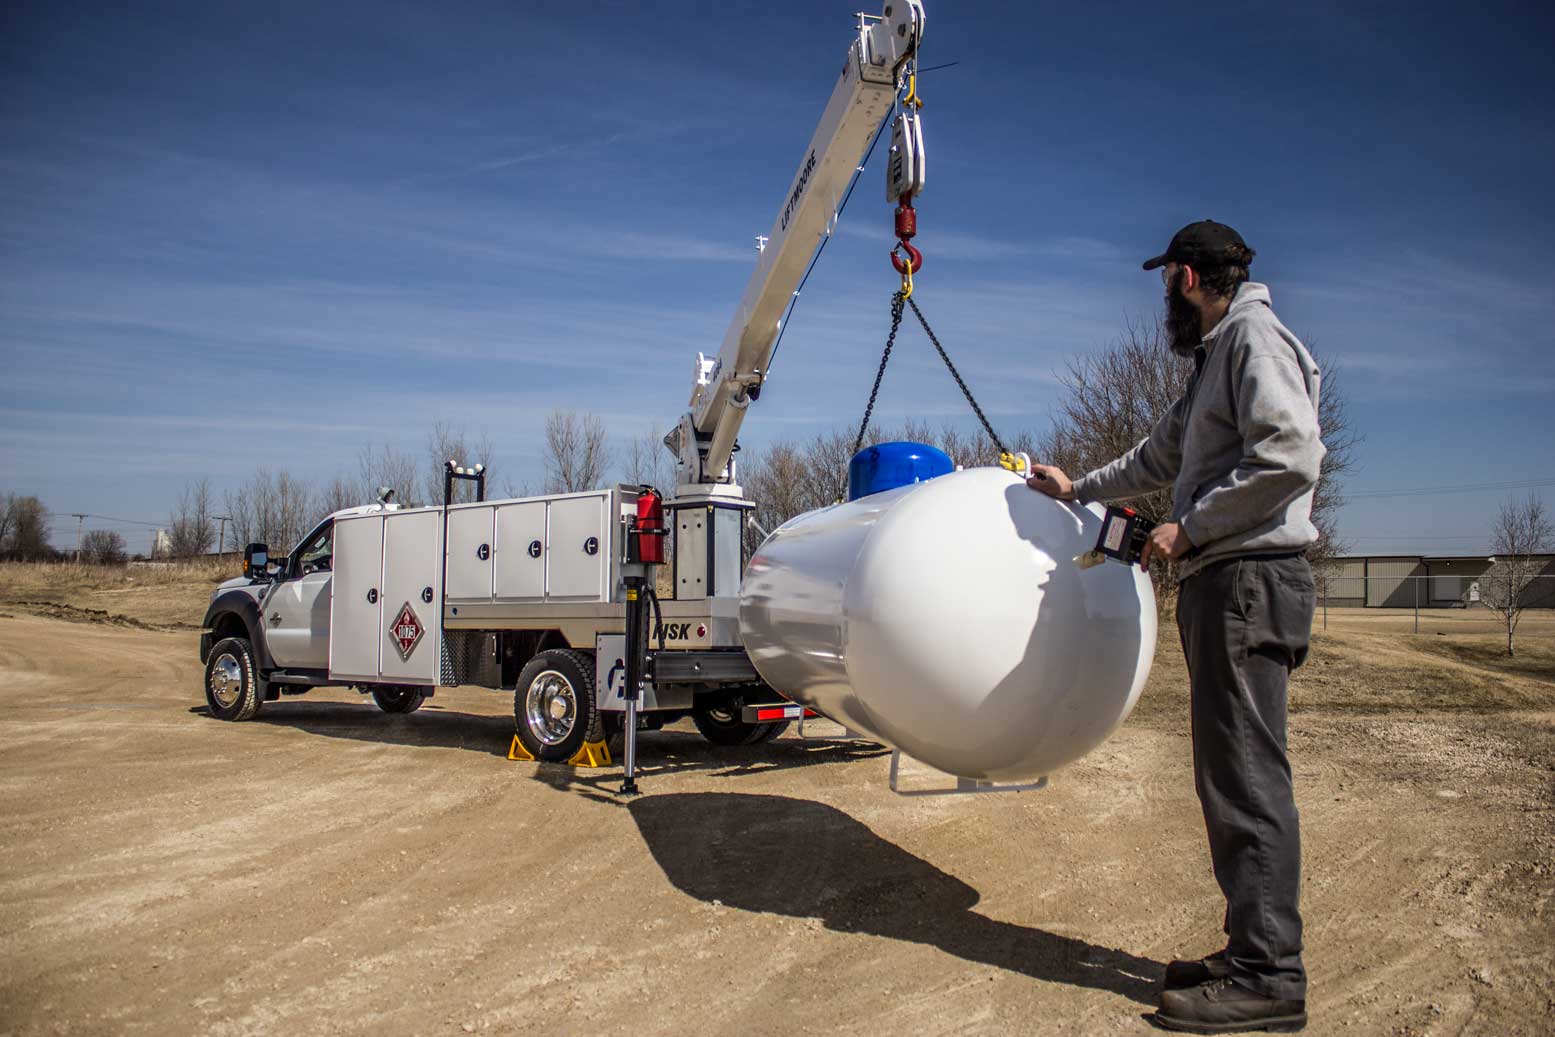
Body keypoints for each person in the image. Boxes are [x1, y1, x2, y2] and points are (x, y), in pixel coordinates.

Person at [1028, 221, 1323, 1034]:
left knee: (1247, 780)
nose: (1163, 301)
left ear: (1184, 277)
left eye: (1165, 285)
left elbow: (1291, 458)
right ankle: (1248, 951)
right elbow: (1160, 456)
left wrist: (1188, 529)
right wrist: (1076, 486)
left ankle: (1268, 977)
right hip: (1224, 585)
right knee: (1227, 777)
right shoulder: (1214, 361)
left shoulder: (1253, 342)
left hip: (1245, 582)